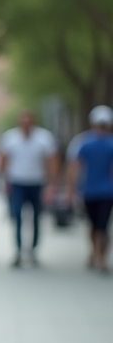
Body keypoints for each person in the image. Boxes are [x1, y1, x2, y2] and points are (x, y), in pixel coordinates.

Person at [0, 110, 59, 267]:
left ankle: (33, 250)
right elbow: (3, 161)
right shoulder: (10, 138)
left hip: (37, 182)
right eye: (23, 121)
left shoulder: (44, 138)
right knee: (17, 216)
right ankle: (18, 250)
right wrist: (3, 181)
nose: (26, 125)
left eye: (28, 121)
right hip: (17, 182)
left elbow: (51, 161)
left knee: (36, 217)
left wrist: (52, 184)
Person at [65, 105, 113, 272]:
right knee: (99, 225)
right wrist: (70, 188)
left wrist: (70, 189)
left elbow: (74, 168)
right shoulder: (90, 143)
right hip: (98, 191)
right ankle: (97, 253)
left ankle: (99, 256)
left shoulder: (84, 143)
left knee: (98, 225)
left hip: (97, 191)